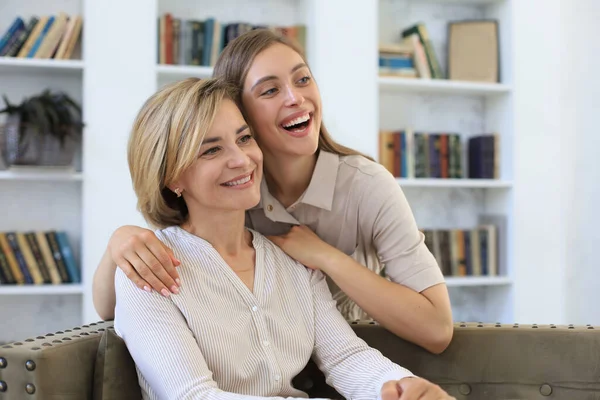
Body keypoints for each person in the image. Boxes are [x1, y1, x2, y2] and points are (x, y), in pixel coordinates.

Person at [93, 29, 453, 355]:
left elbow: (437, 329)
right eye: (270, 90)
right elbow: (114, 306)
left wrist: (325, 257)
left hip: (357, 361)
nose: (296, 98)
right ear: (238, 112)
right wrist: (120, 243)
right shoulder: (232, 187)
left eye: (303, 79)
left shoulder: (367, 185)